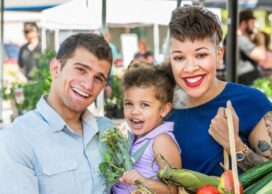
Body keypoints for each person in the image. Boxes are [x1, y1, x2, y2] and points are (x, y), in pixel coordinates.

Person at [166, 5, 272, 176]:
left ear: (219, 55)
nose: (190, 68)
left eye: (201, 55)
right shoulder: (161, 108)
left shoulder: (252, 102)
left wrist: (235, 145)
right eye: (179, 57)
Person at [0, 33, 114, 194]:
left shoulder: (107, 131)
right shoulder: (17, 139)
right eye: (81, 70)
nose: (88, 85)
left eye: (98, 78)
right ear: (56, 68)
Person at [113, 60, 181, 194]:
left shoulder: (161, 141)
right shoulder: (134, 137)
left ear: (164, 110)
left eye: (144, 105)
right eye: (129, 103)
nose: (134, 111)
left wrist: (142, 181)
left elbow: (173, 190)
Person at [236, 10, 266, 85]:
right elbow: (261, 56)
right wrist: (261, 40)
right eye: (252, 23)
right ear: (243, 23)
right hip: (246, 78)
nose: (253, 26)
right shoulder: (240, 39)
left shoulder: (236, 38)